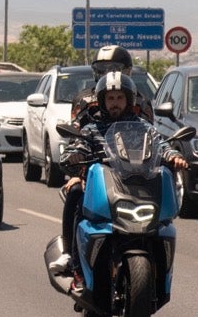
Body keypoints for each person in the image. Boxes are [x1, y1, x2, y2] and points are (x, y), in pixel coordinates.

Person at [50, 70, 186, 282]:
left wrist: (175, 156)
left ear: (129, 100)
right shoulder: (92, 129)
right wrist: (74, 157)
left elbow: (161, 145)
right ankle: (72, 257)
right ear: (103, 101)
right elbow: (76, 148)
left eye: (120, 98)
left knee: (162, 224)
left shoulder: (144, 128)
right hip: (103, 185)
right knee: (75, 192)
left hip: (137, 183)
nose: (115, 103)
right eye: (110, 98)